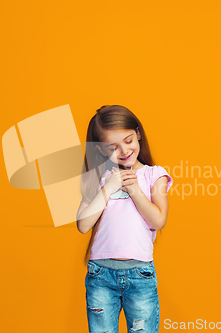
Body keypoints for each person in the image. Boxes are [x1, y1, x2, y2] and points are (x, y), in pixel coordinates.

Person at [77, 105, 173, 333]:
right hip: (100, 275)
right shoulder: (99, 177)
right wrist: (109, 187)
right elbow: (83, 225)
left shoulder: (154, 174)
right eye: (113, 147)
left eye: (128, 140)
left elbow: (158, 220)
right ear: (101, 150)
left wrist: (134, 189)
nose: (123, 151)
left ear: (138, 133)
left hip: (140, 273)